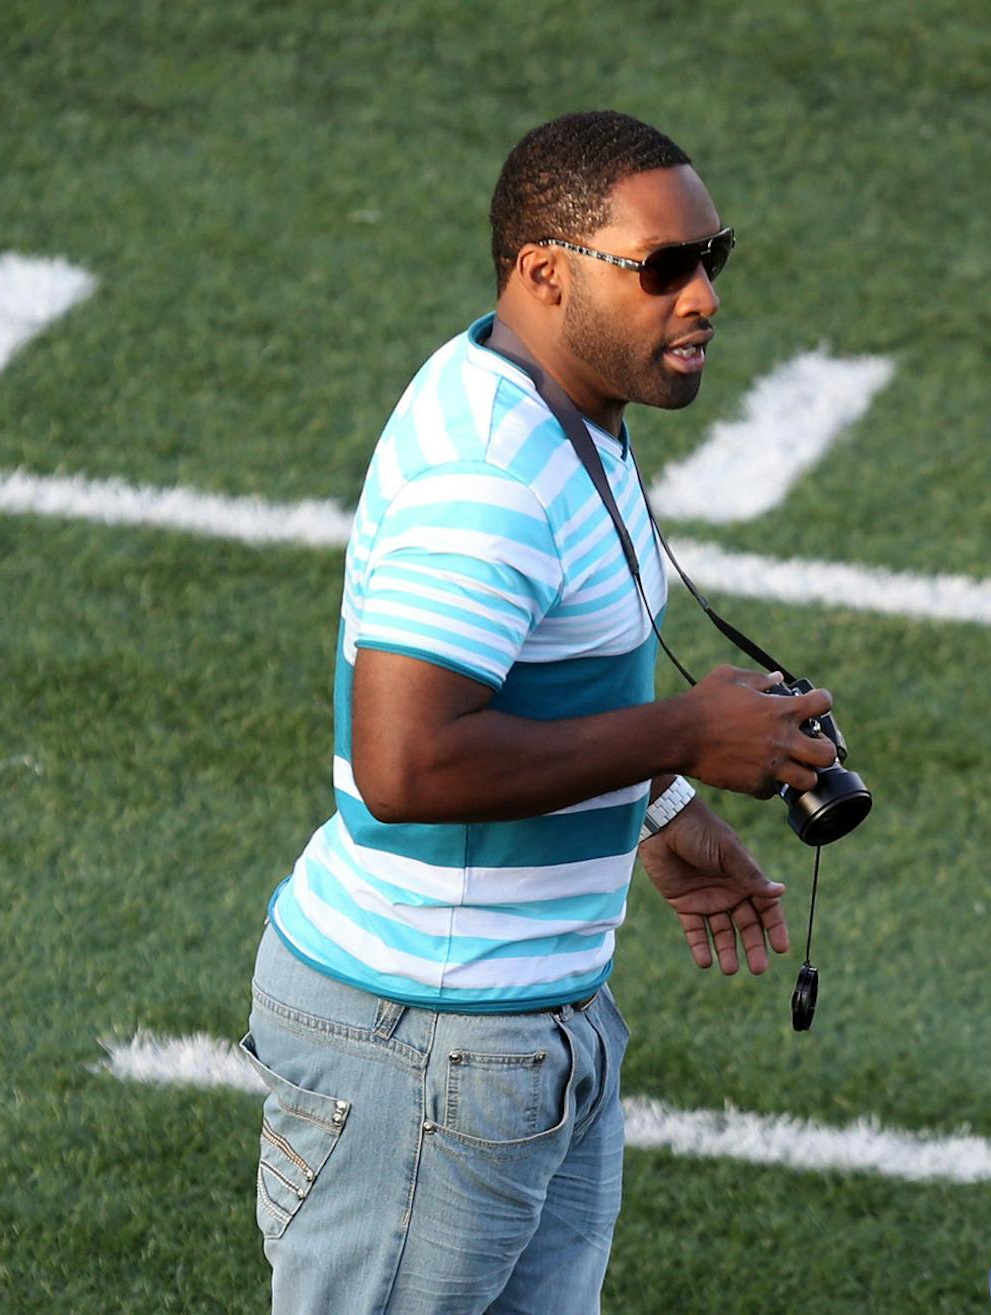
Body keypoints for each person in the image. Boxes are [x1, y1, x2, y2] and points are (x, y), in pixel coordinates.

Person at [240, 110, 839, 1313]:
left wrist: (660, 812)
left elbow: (552, 675)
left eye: (711, 258)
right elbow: (407, 764)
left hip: (523, 1025)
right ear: (545, 274)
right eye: (661, 268)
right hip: (427, 1041)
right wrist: (680, 736)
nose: (703, 297)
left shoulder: (570, 411)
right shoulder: (488, 476)